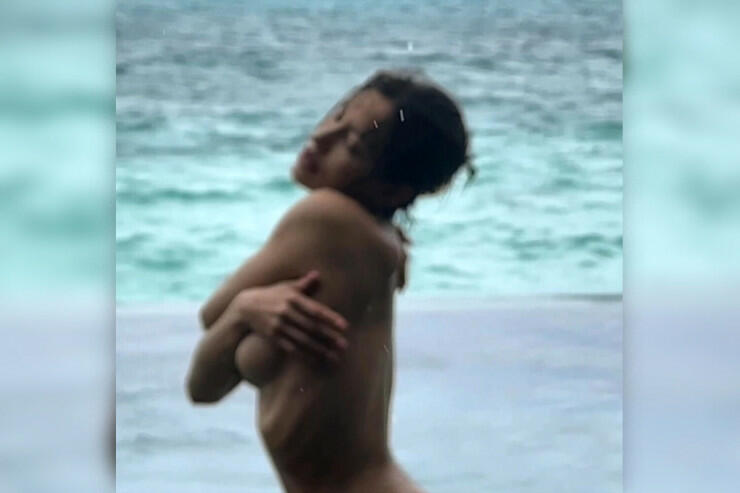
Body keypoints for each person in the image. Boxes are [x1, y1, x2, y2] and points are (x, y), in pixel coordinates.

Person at [186, 69, 472, 493]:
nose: (320, 137)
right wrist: (245, 310)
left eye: (352, 146)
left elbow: (213, 316)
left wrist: (243, 309)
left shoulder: (326, 217)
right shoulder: (372, 238)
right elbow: (203, 386)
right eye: (337, 116)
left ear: (391, 191)